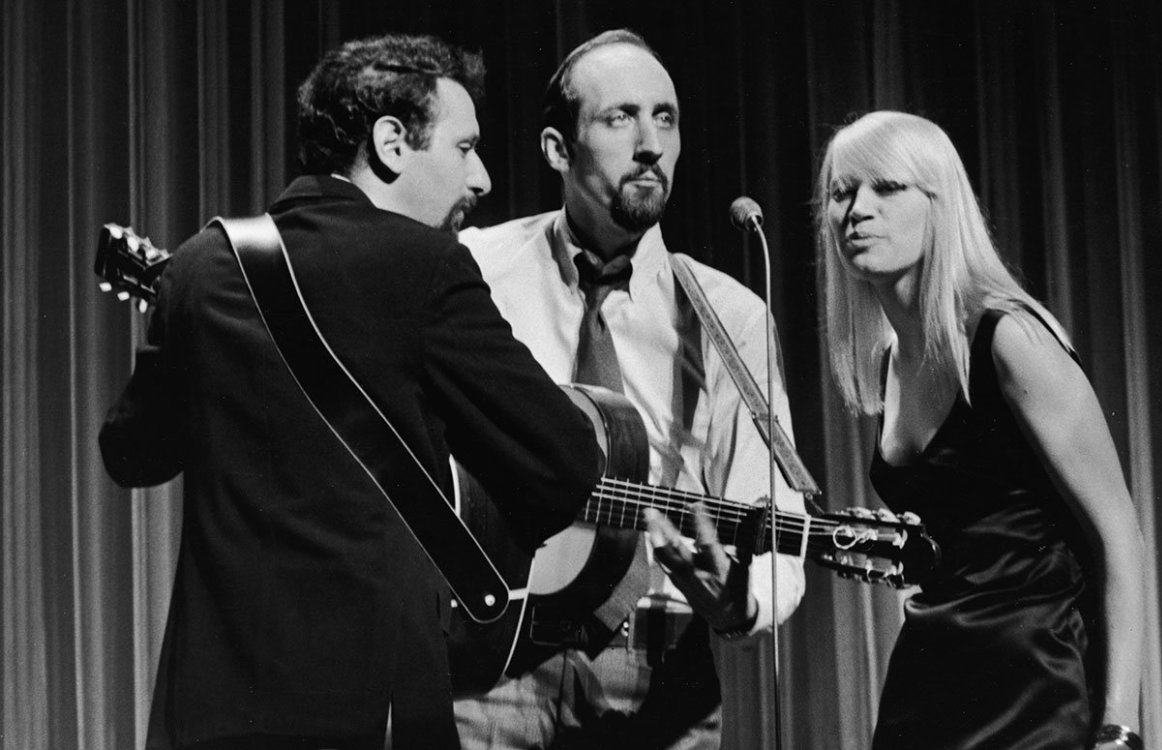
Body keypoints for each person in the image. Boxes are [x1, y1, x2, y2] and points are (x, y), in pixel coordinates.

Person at [99, 34, 603, 750]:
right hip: (373, 707)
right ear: (392, 144)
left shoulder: (200, 263)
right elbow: (567, 463)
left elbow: (131, 454)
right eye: (464, 148)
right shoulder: (429, 266)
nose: (483, 177)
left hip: (211, 708)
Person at [452, 29, 807, 749]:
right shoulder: (475, 269)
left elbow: (777, 514)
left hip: (658, 666)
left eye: (664, 118)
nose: (651, 145)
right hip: (492, 658)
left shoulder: (730, 317)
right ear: (558, 148)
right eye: (621, 118)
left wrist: (742, 603)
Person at [815, 110, 1145, 750]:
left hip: (1038, 693)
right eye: (841, 192)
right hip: (929, 682)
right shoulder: (888, 361)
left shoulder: (1009, 338)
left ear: (940, 203)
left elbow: (1119, 537)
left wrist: (1118, 731)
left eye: (887, 187)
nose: (857, 210)